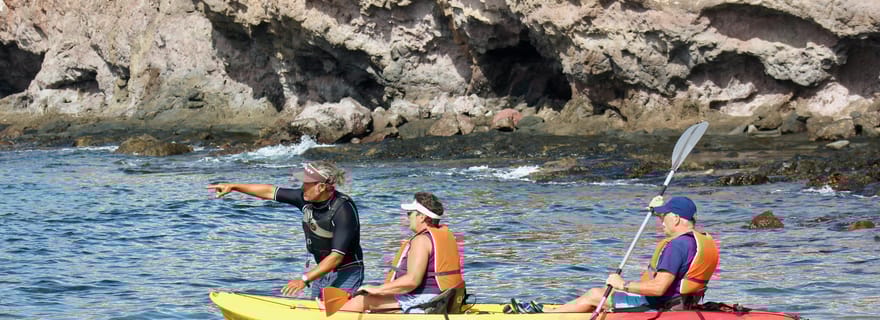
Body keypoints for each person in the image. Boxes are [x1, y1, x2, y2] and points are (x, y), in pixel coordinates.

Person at [509, 196, 719, 313]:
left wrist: (622, 284)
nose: (660, 221)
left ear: (675, 219)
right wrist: (654, 208)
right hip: (683, 302)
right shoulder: (696, 240)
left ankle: (547, 317)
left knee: (595, 294)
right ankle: (556, 312)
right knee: (598, 293)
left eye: (663, 216)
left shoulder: (676, 247)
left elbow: (658, 288)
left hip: (661, 304)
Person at [206, 161, 364, 299]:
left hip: (347, 271)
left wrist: (304, 279)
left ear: (321, 187)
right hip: (321, 271)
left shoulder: (343, 210)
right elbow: (269, 191)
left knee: (334, 314)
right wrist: (234, 187)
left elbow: (336, 257)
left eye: (306, 183)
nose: (302, 187)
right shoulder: (304, 198)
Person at [340, 192, 466, 313]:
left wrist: (378, 289)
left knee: (361, 300)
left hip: (429, 301)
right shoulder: (444, 235)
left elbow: (412, 281)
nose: (407, 217)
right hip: (445, 298)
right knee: (372, 292)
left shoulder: (421, 240)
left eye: (410, 213)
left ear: (421, 217)